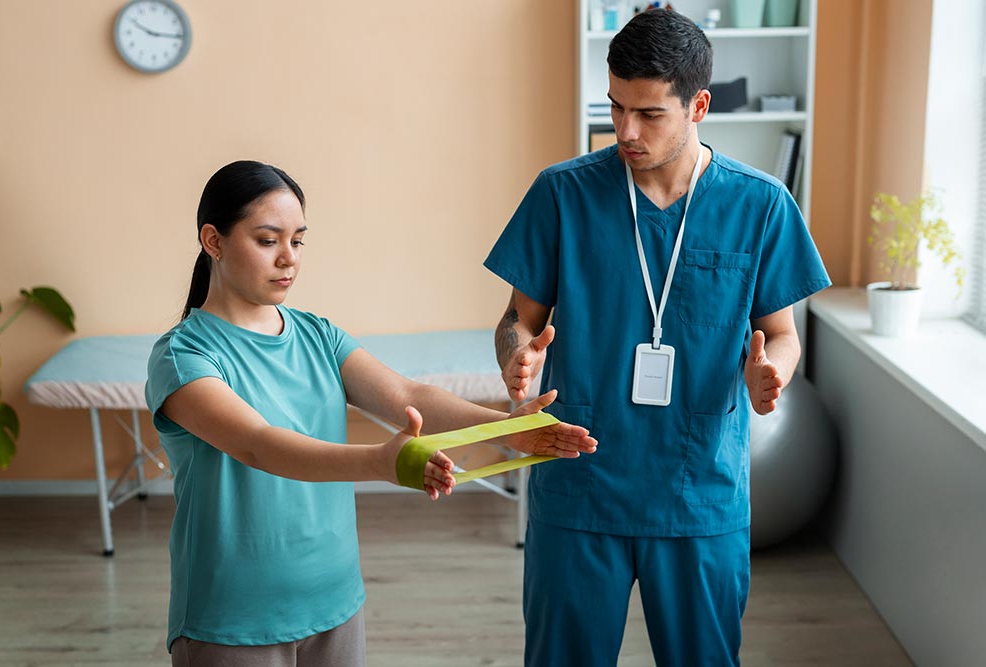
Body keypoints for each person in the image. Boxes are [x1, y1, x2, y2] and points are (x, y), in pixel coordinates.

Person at [144, 159, 598, 667]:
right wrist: (381, 463)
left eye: (297, 241)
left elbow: (408, 393)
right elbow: (258, 444)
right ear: (214, 241)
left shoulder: (317, 335)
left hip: (335, 601)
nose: (287, 260)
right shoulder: (183, 356)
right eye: (268, 240)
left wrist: (507, 431)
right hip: (233, 615)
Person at [484, 9, 831, 667]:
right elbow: (516, 320)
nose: (625, 130)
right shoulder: (562, 194)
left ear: (698, 104)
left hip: (697, 494)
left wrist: (773, 371)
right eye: (615, 108)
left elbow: (780, 334)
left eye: (649, 114)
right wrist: (516, 356)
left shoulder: (760, 205)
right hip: (578, 489)